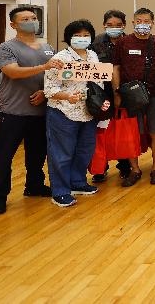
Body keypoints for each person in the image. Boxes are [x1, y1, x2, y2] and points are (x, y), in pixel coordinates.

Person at [0, 7, 62, 216]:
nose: (31, 21)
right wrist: (44, 67)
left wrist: (45, 92)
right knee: (4, 156)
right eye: (25, 19)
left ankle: (35, 186)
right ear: (13, 25)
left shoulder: (47, 47)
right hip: (13, 111)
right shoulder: (5, 47)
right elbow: (12, 72)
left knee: (37, 154)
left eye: (34, 18)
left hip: (40, 111)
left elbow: (55, 76)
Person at [43, 20, 110, 207]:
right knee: (61, 153)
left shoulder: (93, 56)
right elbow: (49, 89)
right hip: (63, 112)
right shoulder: (60, 59)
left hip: (87, 112)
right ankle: (60, 191)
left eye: (86, 35)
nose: (82, 39)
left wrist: (101, 101)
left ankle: (78, 182)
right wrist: (67, 96)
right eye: (77, 36)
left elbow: (98, 83)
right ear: (68, 38)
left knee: (84, 150)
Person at [112, 8, 155, 187]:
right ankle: (135, 170)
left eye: (146, 21)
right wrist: (117, 92)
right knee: (132, 133)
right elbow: (116, 68)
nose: (142, 24)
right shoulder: (123, 42)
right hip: (131, 96)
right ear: (133, 23)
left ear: (153, 23)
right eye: (139, 21)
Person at [90, 9, 131, 183]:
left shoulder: (130, 41)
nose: (114, 28)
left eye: (118, 25)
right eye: (110, 25)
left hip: (125, 93)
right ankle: (100, 168)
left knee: (123, 131)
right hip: (101, 95)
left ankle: (125, 166)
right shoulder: (95, 42)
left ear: (124, 25)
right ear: (104, 25)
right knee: (101, 132)